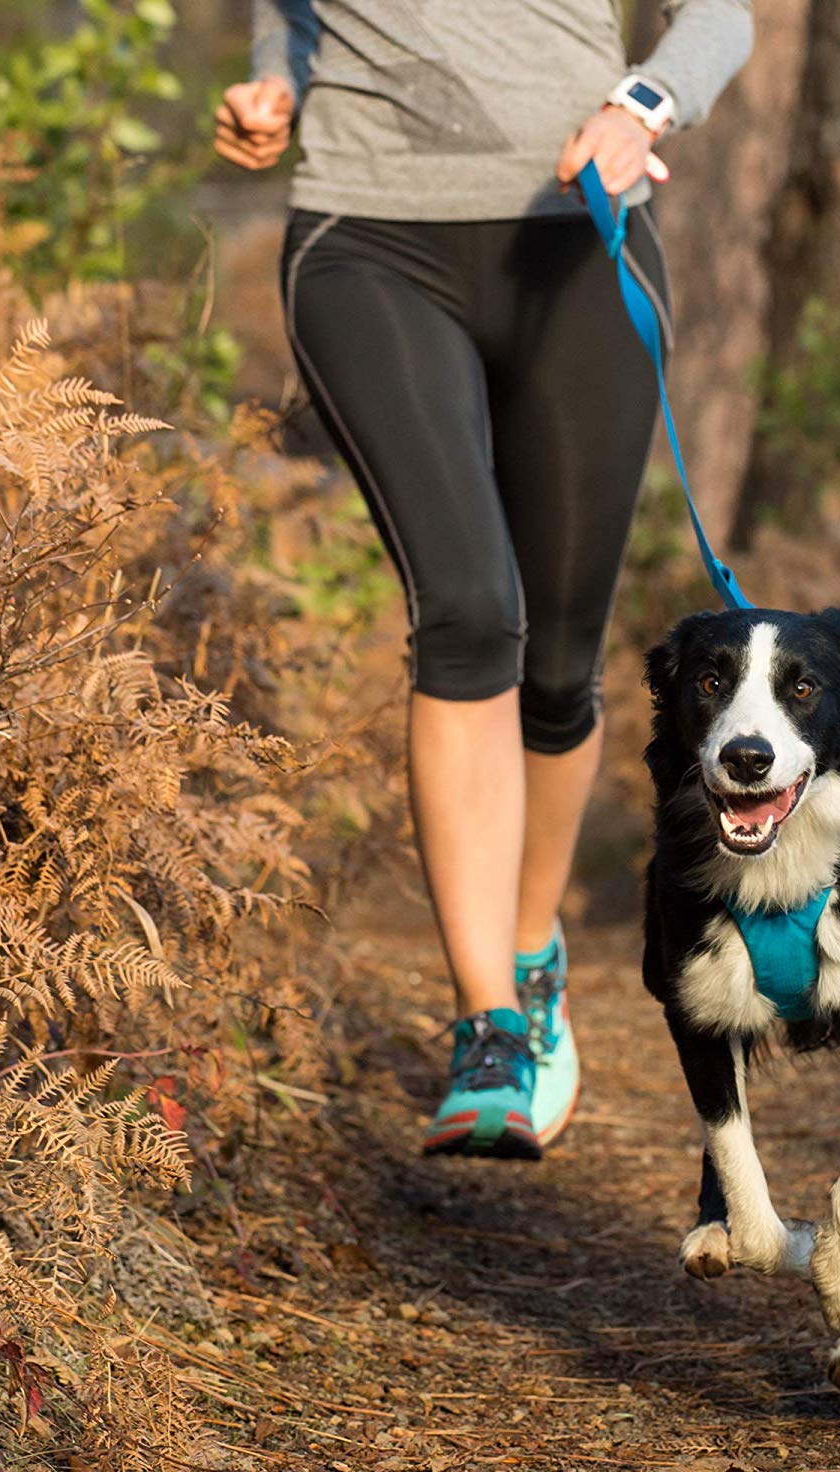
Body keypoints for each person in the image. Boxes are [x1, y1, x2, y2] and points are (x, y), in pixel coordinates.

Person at [215, 0, 752, 1160]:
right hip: (368, 240)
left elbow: (719, 17)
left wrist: (638, 104)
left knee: (557, 669)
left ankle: (528, 949)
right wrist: (278, 83)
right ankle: (489, 1025)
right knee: (467, 612)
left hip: (579, 238)